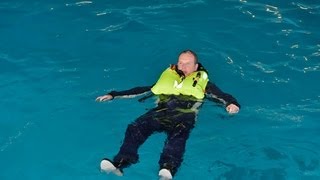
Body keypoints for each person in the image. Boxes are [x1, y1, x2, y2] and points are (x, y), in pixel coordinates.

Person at [96, 50, 240, 179]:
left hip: (184, 117)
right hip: (160, 113)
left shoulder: (204, 84)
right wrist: (114, 95)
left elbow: (222, 96)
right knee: (135, 127)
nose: (182, 67)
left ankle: (168, 169)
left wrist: (231, 104)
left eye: (187, 64)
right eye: (180, 63)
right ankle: (120, 163)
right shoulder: (169, 79)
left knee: (177, 140)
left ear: (196, 67)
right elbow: (141, 90)